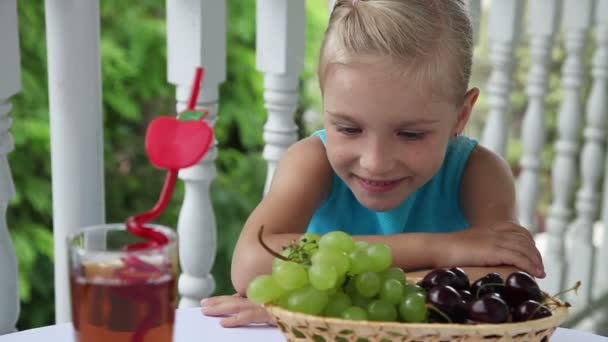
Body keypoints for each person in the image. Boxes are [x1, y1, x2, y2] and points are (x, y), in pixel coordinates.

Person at [202, 0, 544, 327]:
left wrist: (311, 299)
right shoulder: (311, 162)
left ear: (461, 115)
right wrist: (441, 249)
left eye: (411, 134)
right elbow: (250, 264)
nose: (376, 163)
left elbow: (503, 287)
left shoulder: (479, 173)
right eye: (349, 128)